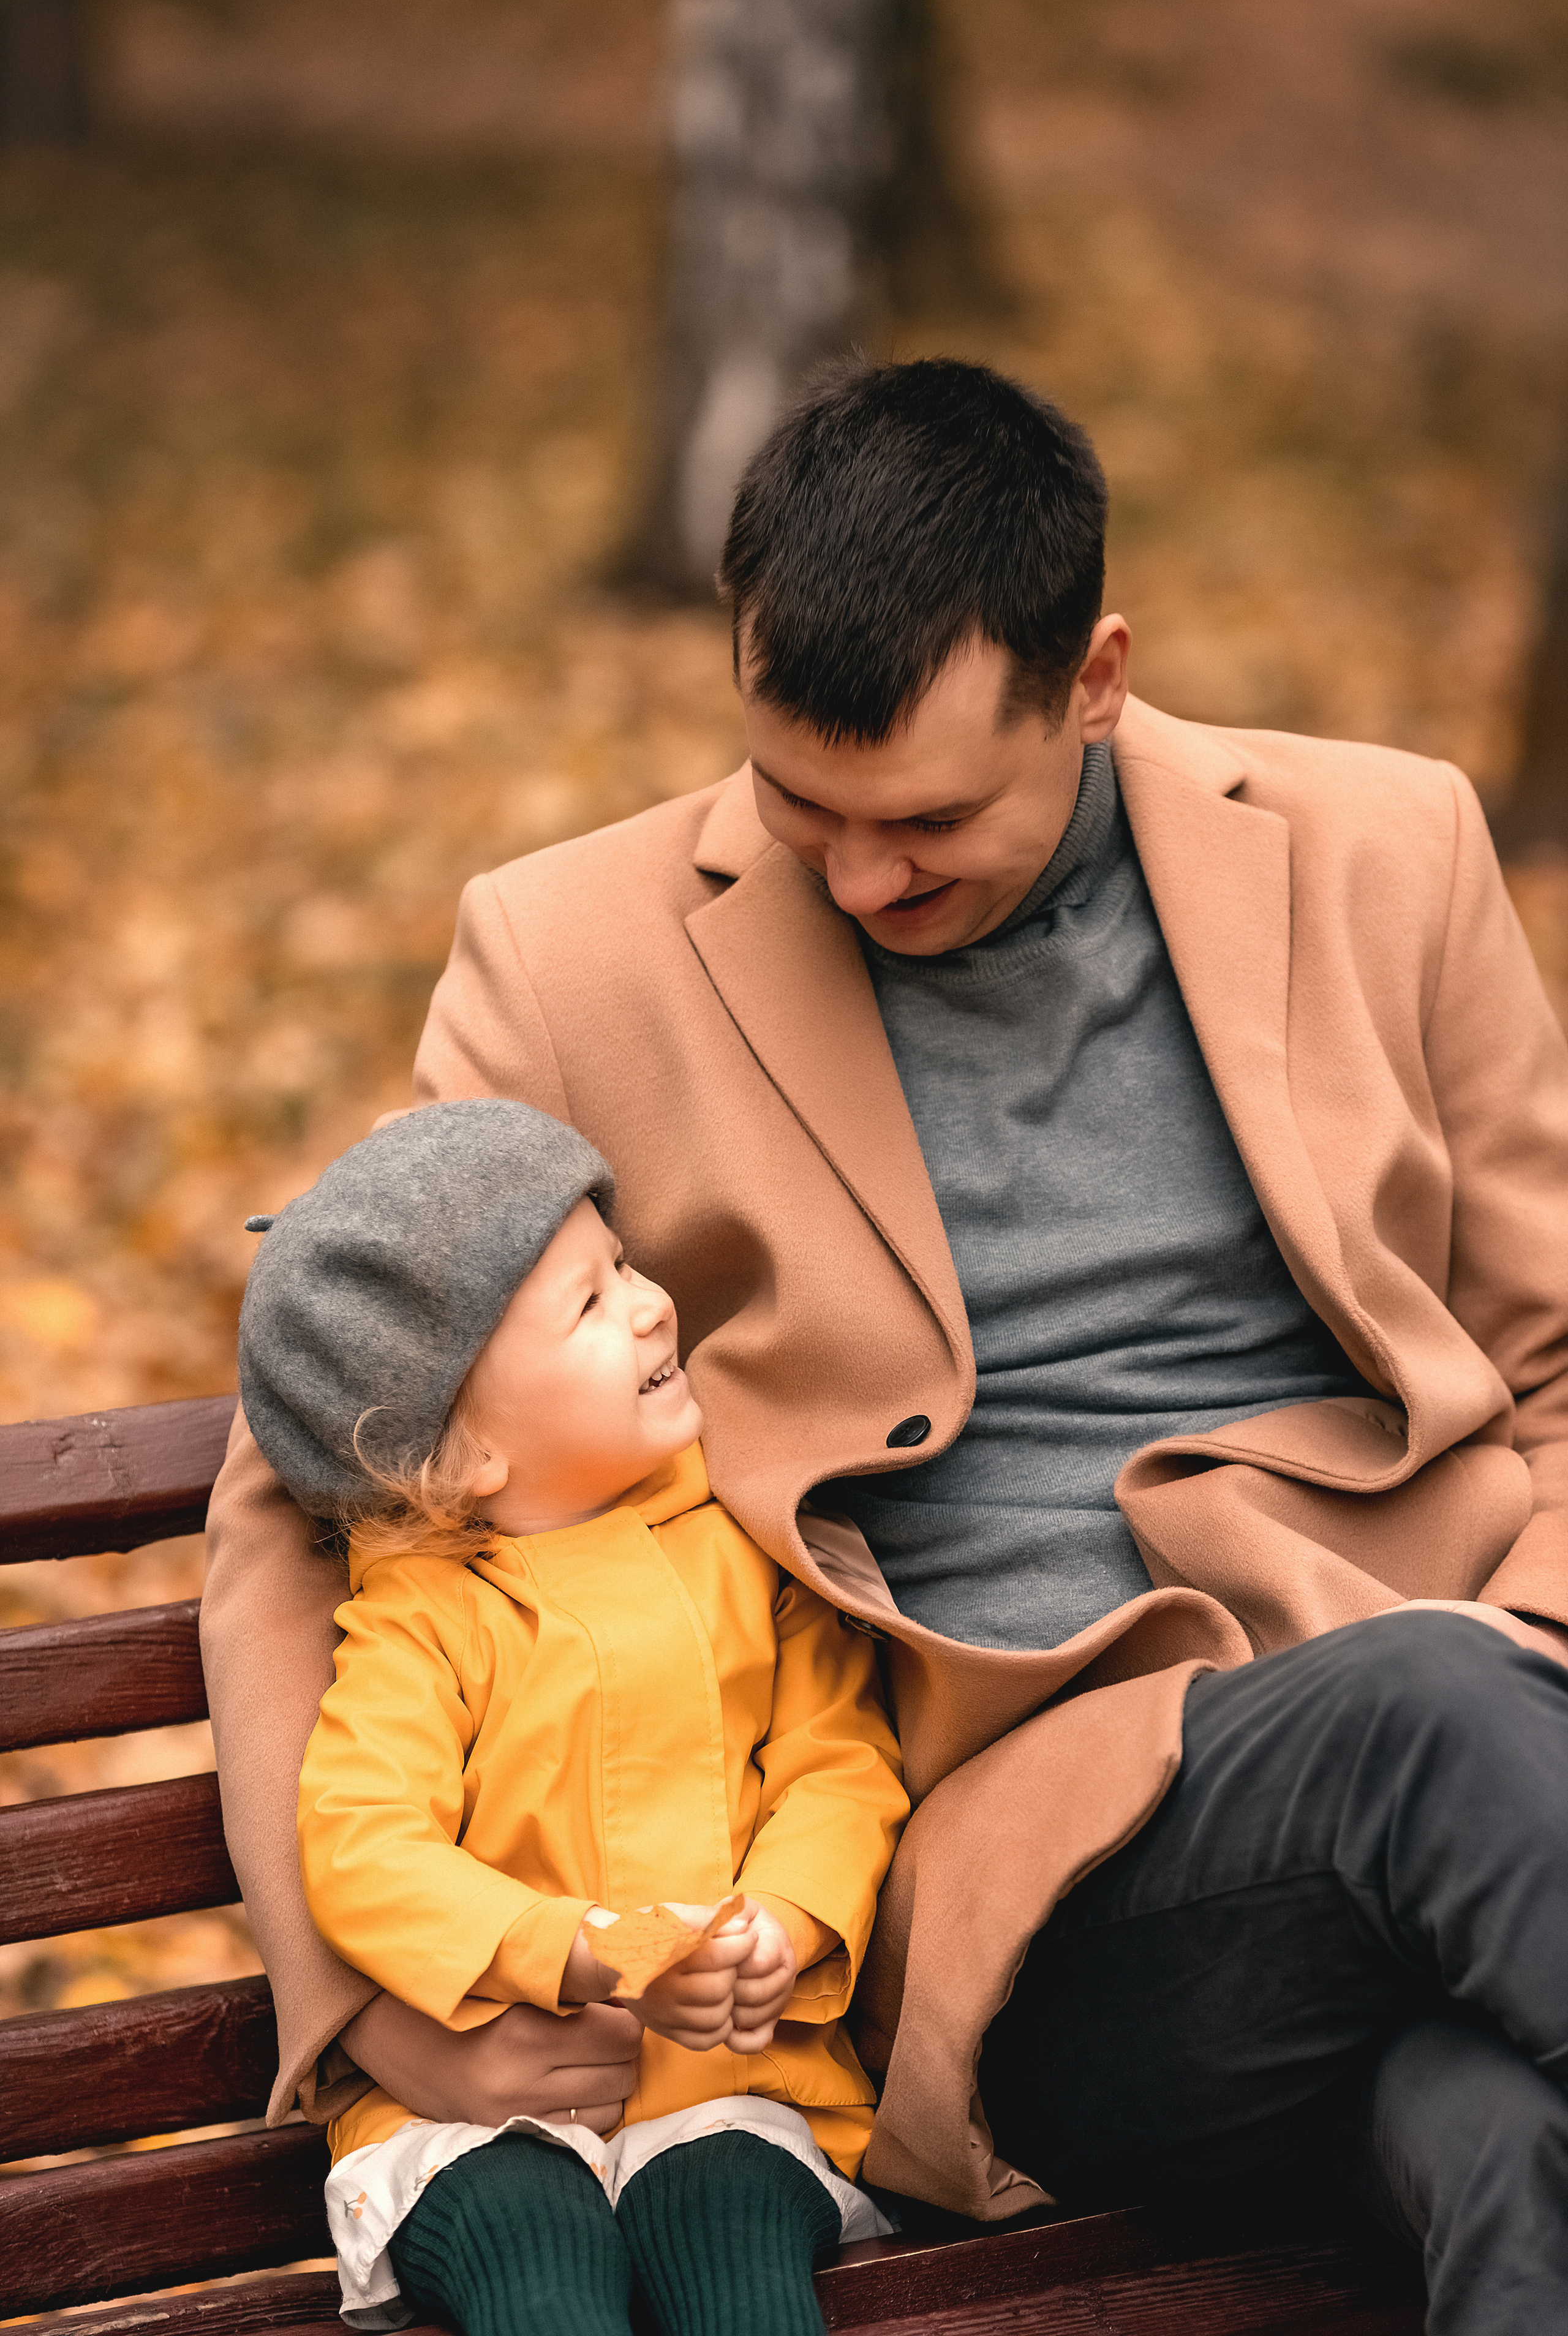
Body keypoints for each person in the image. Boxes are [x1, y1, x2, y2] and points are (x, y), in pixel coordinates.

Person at [202, 358, 1568, 2335]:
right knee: (1423, 1717)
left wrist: (1526, 1689)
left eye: (927, 822)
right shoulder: (574, 958)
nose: (858, 880)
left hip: (1452, 1777)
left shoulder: (1390, 850)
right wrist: (372, 2027)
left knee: (1501, 2127)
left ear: (1093, 680)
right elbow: (302, 1493)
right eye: (798, 807)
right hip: (1027, 1891)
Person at [234, 1096, 907, 2335]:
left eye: (625, 1264)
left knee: (733, 2231)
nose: (651, 1303)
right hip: (476, 2104)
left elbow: (834, 1757)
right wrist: (572, 1948)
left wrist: (788, 1915)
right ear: (467, 1451)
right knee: (531, 2260)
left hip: (723, 2086)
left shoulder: (743, 1547)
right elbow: (366, 1848)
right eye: (591, 1305)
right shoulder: (417, 1624)